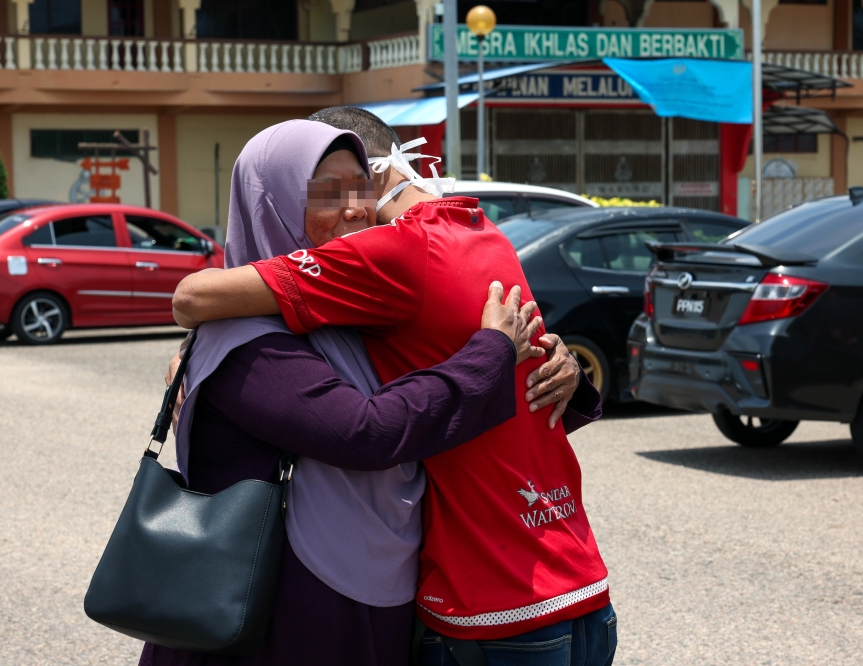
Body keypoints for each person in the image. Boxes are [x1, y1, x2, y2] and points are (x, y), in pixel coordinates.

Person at [172, 111, 617, 665]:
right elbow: (366, 431)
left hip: (451, 592)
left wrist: (559, 365)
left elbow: (474, 392)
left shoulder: (359, 308)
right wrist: (491, 353)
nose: (355, 206)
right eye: (327, 192)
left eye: (358, 187)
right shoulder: (250, 340)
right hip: (298, 608)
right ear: (275, 202)